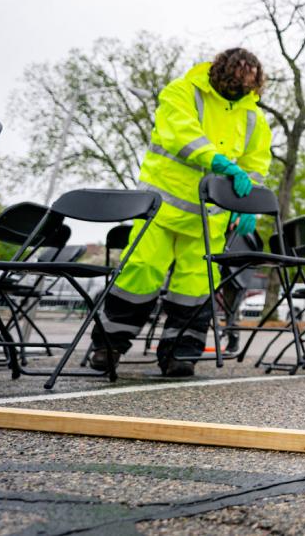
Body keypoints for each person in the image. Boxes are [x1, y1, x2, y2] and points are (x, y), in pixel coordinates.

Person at [89, 48, 271, 377]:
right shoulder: (182, 92)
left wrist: (247, 204)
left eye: (248, 86)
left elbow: (256, 164)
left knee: (196, 285)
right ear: (220, 75)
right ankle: (107, 346)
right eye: (235, 82)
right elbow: (181, 134)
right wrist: (219, 162)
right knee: (139, 272)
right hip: (161, 208)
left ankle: (179, 353)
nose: (240, 90)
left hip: (209, 217)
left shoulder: (253, 118)